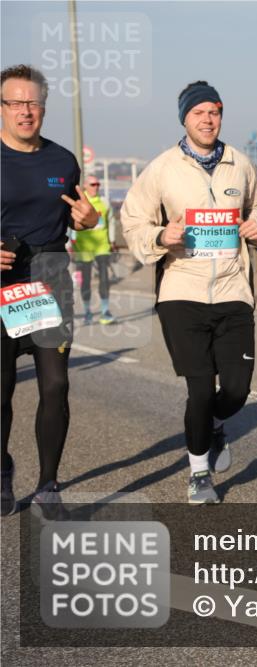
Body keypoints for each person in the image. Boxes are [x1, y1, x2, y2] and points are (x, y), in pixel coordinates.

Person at [120, 80, 257, 503]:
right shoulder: (162, 168)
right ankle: (199, 474)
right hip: (181, 291)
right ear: (184, 119)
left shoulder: (240, 164)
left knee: (236, 391)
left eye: (214, 112)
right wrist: (160, 236)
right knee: (200, 389)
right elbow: (132, 220)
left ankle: (214, 424)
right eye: (199, 113)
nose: (208, 120)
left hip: (233, 289)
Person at [1, 64, 100, 516]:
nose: (25, 111)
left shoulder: (63, 161)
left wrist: (90, 221)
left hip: (49, 278)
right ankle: (2, 471)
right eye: (15, 102)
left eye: (33, 103)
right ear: (2, 108)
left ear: (43, 107)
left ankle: (47, 485)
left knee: (56, 385)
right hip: (2, 283)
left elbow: (80, 215)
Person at [75, 175, 117, 324]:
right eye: (93, 184)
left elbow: (111, 221)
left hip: (102, 246)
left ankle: (105, 311)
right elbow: (71, 224)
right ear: (85, 186)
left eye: (98, 184)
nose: (96, 187)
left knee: (104, 278)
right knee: (86, 281)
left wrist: (112, 240)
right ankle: (87, 312)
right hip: (83, 247)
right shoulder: (79, 202)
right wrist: (68, 244)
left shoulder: (104, 202)